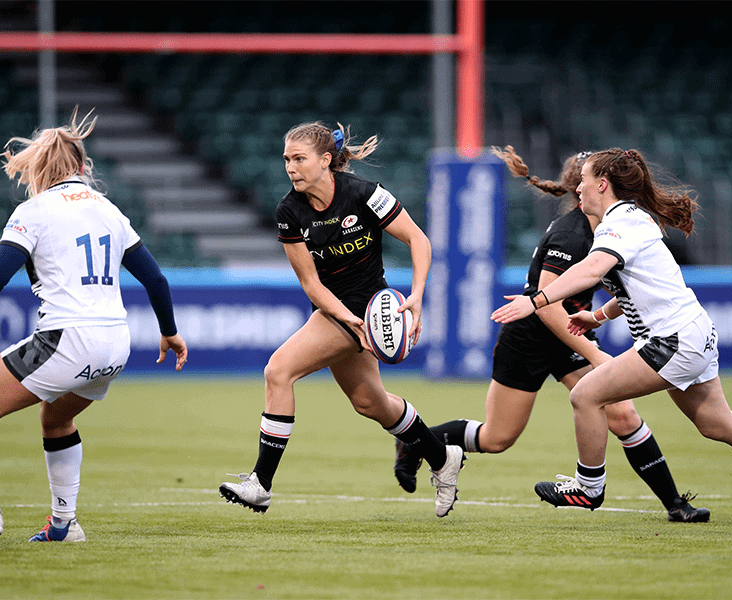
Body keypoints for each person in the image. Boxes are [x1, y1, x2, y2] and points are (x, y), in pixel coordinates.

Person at [395, 147, 710, 521]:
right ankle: (417, 442)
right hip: (533, 331)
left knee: (623, 415)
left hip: (569, 326)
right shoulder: (572, 234)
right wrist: (595, 354)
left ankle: (675, 504)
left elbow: (621, 287)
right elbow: (544, 305)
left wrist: (598, 316)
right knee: (498, 438)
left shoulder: (611, 226)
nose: (583, 189)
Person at [219, 121, 464, 517]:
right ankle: (442, 457)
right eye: (287, 159)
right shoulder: (289, 211)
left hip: (372, 305)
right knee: (370, 402)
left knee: (278, 371)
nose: (291, 167)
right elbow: (311, 285)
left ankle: (260, 484)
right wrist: (348, 319)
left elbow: (419, 239)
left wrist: (417, 296)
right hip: (339, 310)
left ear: (326, 160)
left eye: (299, 159)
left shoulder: (365, 194)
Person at [493, 147, 732, 512]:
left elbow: (593, 270)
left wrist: (536, 300)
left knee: (586, 395)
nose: (577, 188)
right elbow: (636, 288)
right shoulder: (628, 219)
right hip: (694, 334)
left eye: (582, 181)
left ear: (601, 184)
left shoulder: (619, 224)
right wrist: (597, 318)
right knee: (717, 424)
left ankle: (588, 487)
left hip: (674, 341)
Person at [0, 109, 188, 542]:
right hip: (114, 344)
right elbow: (155, 278)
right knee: (57, 420)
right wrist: (170, 331)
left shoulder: (34, 209)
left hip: (67, 338)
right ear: (83, 167)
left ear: (38, 170)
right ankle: (64, 526)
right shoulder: (108, 209)